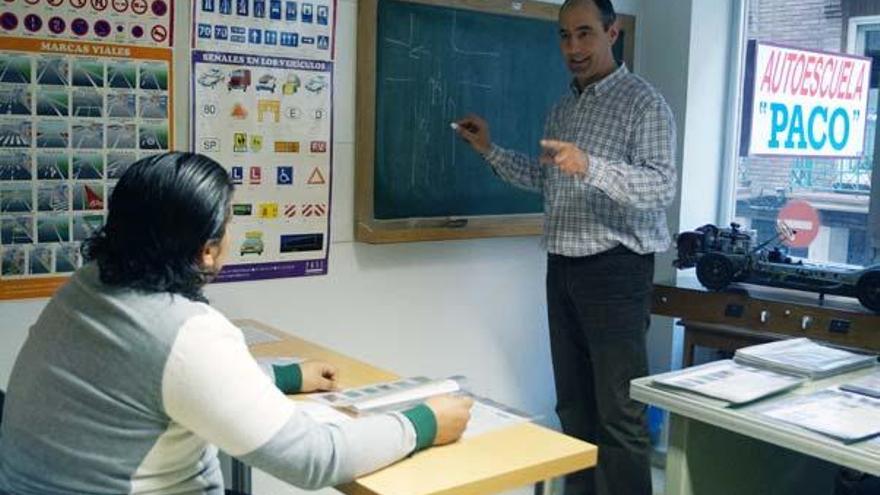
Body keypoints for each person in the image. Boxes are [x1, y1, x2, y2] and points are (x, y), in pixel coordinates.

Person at [0, 152, 472, 494]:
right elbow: (314, 460)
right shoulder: (184, 331)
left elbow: (162, 381)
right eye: (229, 223)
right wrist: (423, 422)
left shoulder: (89, 287)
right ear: (207, 249)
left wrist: (285, 375)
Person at [454, 1, 676, 494]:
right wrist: (489, 150)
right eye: (563, 36)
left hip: (617, 270)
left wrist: (591, 166)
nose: (573, 48)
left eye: (585, 34)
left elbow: (661, 187)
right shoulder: (564, 105)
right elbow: (546, 179)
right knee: (573, 406)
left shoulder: (644, 103)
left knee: (619, 412)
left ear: (612, 33)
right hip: (564, 266)